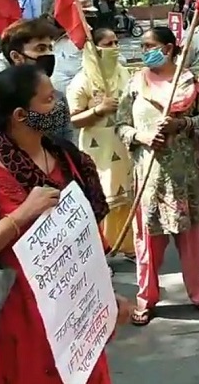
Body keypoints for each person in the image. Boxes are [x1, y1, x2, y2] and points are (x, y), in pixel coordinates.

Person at [0, 64, 131, 383]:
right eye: (47, 100)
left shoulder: (70, 159)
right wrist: (21, 216)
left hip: (79, 325)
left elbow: (88, 244)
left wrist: (107, 294)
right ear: (19, 115)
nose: (59, 105)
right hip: (23, 332)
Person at [115, 27, 199, 325]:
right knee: (147, 246)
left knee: (191, 244)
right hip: (148, 181)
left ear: (170, 48)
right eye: (143, 45)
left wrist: (183, 124)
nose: (145, 50)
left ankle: (198, 294)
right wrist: (142, 136)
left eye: (152, 45)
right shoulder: (135, 82)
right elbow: (120, 124)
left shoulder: (192, 81)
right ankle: (146, 298)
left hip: (185, 179)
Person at [66, 28, 135, 258]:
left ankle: (129, 244)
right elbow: (73, 120)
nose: (114, 48)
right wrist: (99, 110)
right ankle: (101, 251)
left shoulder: (125, 73)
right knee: (102, 195)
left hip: (125, 143)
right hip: (98, 148)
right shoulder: (81, 81)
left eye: (116, 42)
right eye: (108, 44)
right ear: (94, 49)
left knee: (129, 192)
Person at [0, 18, 71, 144]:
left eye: (50, 48)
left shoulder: (58, 98)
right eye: (40, 49)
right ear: (16, 57)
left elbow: (68, 141)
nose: (48, 54)